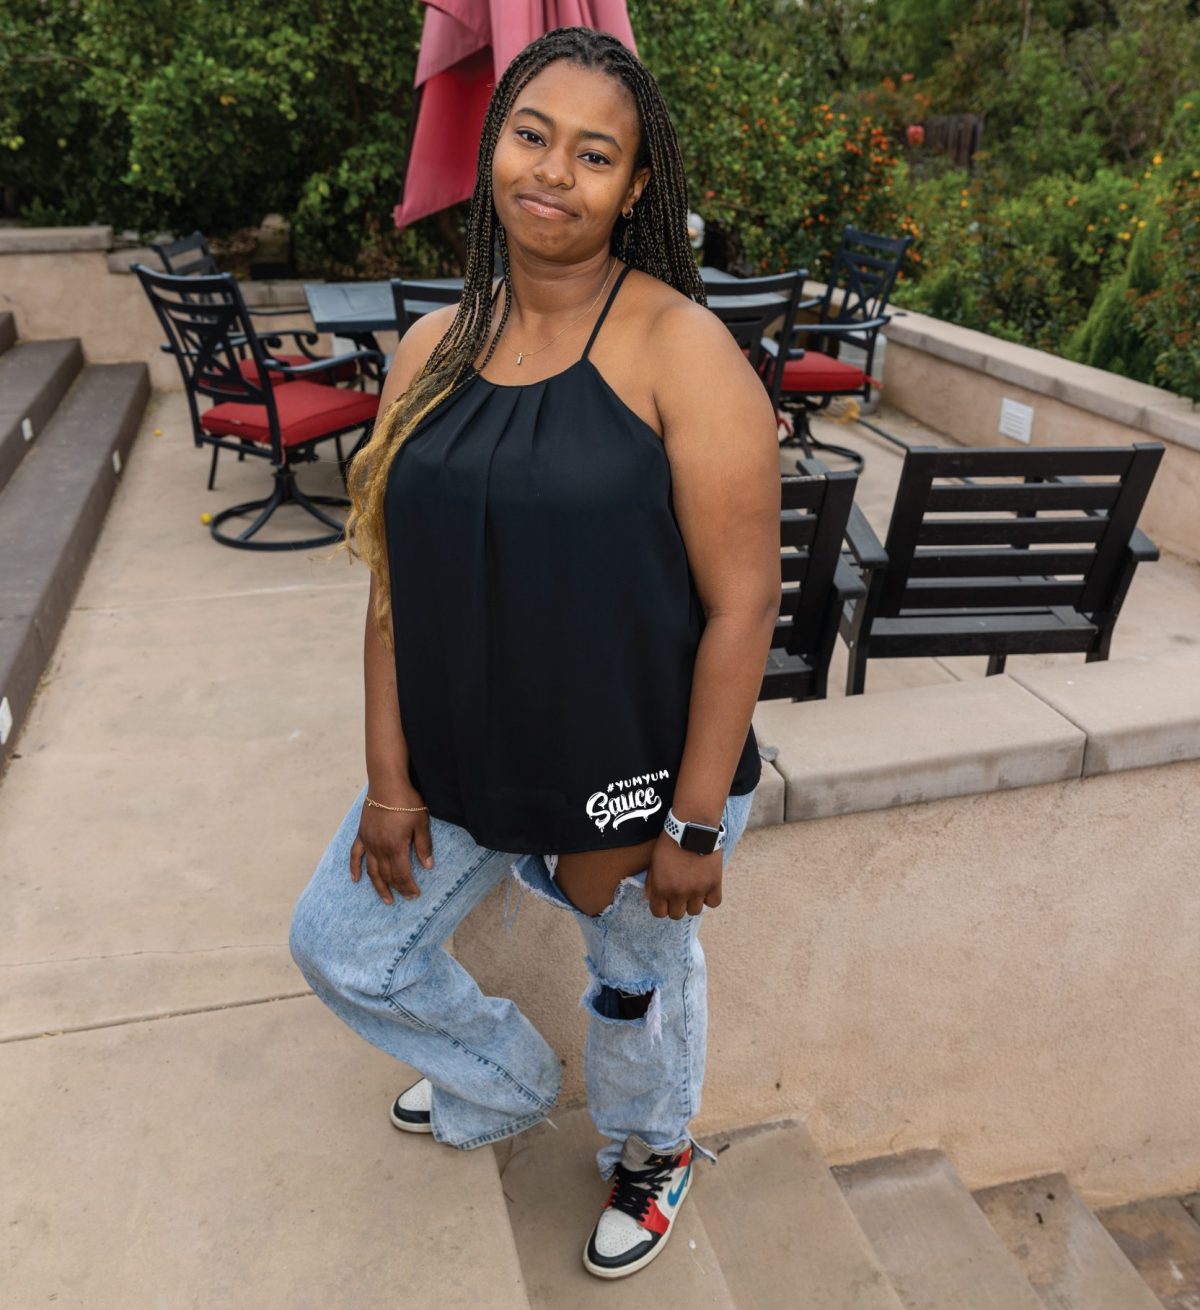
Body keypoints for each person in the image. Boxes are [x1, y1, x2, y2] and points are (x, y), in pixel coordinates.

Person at [288, 25, 780, 1281]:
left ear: (636, 186)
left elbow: (742, 604)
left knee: (635, 983)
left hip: (635, 765)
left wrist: (698, 821)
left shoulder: (682, 349)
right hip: (462, 753)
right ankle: (503, 1078)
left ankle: (652, 1144)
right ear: (492, 148)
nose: (554, 171)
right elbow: (394, 578)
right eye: (531, 135)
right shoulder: (428, 348)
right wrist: (390, 779)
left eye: (595, 153)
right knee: (340, 941)